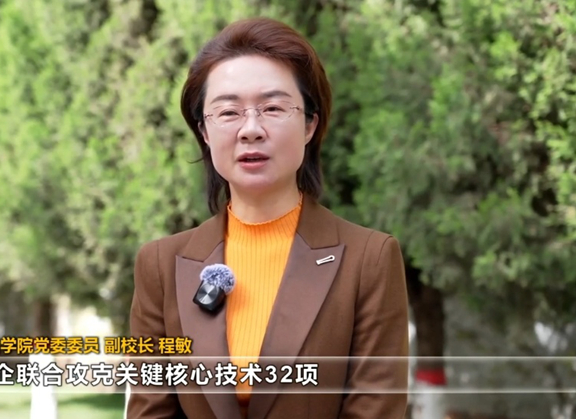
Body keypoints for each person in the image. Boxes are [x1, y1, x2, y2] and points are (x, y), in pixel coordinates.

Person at [127, 16, 409, 419]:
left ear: (310, 124)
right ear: (204, 131)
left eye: (273, 108)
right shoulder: (161, 265)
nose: (251, 130)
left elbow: (375, 409)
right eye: (228, 112)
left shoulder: (369, 259)